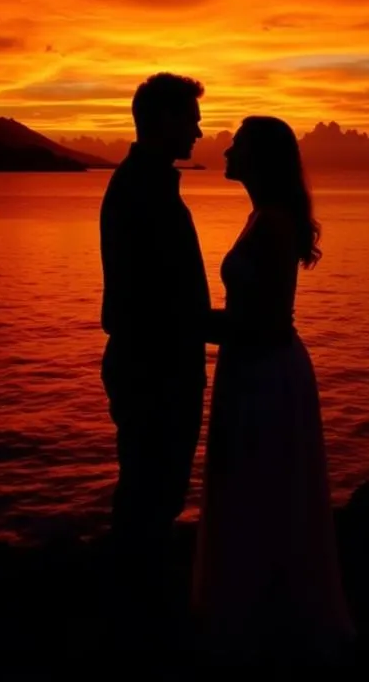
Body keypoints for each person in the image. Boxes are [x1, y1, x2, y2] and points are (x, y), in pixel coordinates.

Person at [194, 116, 354, 663]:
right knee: (255, 490)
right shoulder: (261, 216)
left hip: (264, 372)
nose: (224, 152)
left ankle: (263, 625)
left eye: (235, 145)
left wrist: (187, 323)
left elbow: (260, 324)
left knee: (260, 489)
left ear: (258, 157)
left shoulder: (274, 224)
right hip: (253, 367)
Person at [99, 72, 210, 645]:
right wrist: (229, 328)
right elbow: (148, 300)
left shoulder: (148, 185)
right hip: (154, 369)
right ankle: (138, 626)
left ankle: (136, 615)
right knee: (150, 493)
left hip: (157, 364)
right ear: (162, 120)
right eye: (188, 118)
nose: (198, 129)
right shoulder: (141, 191)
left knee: (151, 493)